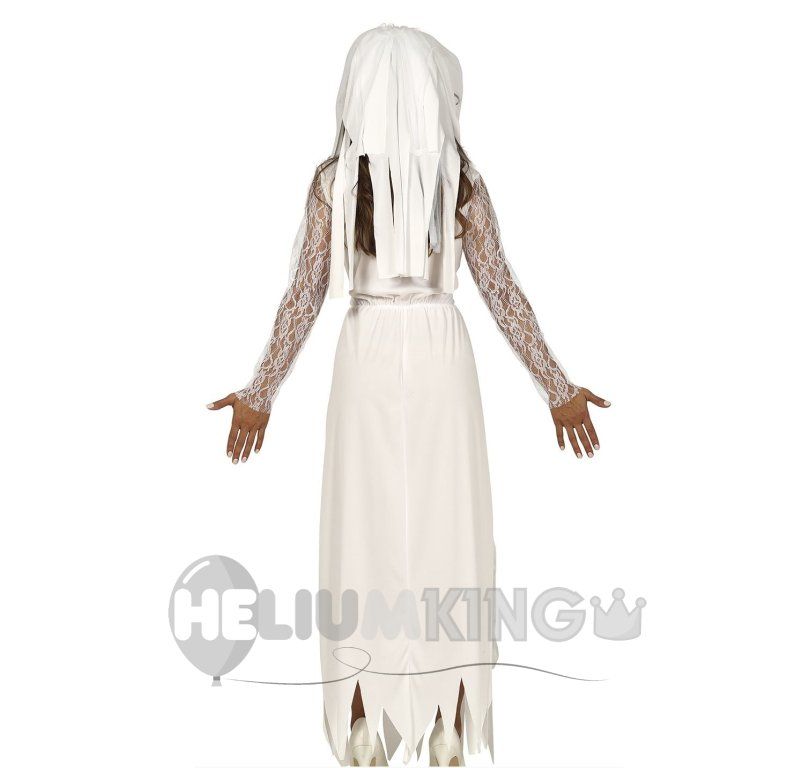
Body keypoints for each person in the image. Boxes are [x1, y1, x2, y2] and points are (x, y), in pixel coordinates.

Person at [208, 24, 610, 766]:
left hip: (366, 348)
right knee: (447, 529)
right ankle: (446, 726)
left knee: (363, 532)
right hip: (438, 352)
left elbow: (305, 294)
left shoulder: (336, 182)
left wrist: (261, 391)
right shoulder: (459, 180)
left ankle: (366, 724)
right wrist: (556, 388)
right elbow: (499, 287)